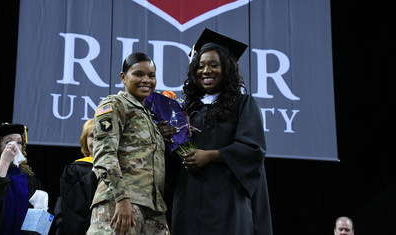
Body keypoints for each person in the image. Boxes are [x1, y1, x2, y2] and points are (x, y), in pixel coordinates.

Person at [170, 28, 273, 235]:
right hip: (189, 197)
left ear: (227, 69)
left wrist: (209, 156)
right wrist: (167, 137)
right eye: (200, 66)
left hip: (227, 199)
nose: (206, 70)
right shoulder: (187, 108)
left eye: (214, 65)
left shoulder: (243, 104)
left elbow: (252, 149)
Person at [87, 52, 170, 235]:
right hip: (119, 204)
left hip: (154, 209)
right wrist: (122, 198)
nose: (146, 80)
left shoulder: (150, 116)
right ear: (123, 77)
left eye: (151, 75)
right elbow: (104, 154)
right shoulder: (115, 104)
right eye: (138, 74)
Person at [0, 122, 45, 235]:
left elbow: (41, 218)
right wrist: (4, 162)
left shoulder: (30, 179)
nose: (15, 147)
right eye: (9, 142)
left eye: (19, 142)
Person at [54, 118, 98, 235]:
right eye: (92, 135)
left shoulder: (123, 168)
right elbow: (71, 206)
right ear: (85, 141)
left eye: (102, 135)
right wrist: (94, 174)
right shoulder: (74, 170)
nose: (96, 140)